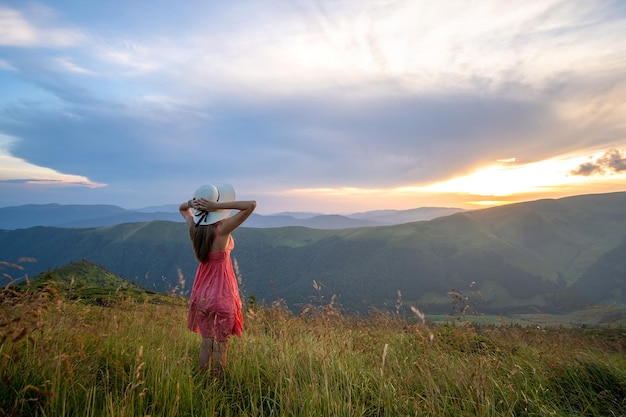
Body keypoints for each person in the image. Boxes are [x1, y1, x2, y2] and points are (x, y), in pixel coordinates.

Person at [179, 183, 256, 375]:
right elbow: (251, 205)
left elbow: (182, 208)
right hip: (223, 294)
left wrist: (192, 203)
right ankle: (217, 386)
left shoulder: (194, 229)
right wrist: (214, 207)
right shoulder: (222, 230)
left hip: (202, 294)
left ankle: (202, 381)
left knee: (206, 345)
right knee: (221, 347)